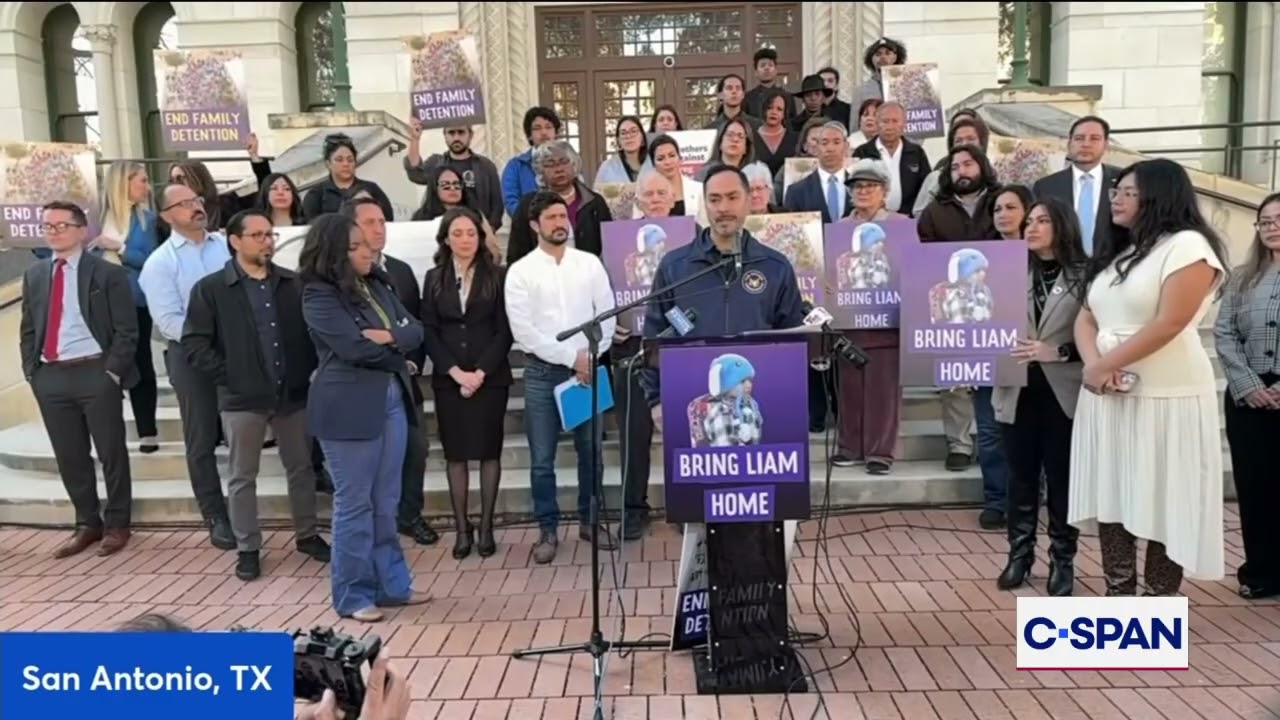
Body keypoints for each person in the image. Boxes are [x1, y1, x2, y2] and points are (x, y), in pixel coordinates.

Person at [1068, 158, 1230, 596]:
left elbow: (1170, 322)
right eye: (1115, 191)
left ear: (1158, 196)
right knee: (1113, 493)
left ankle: (1159, 601)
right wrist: (1094, 366)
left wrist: (1105, 363)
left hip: (1166, 396)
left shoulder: (1188, 246)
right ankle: (1120, 596)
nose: (1115, 198)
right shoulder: (1118, 250)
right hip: (1108, 393)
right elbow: (1086, 317)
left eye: (1127, 191)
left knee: (1163, 496)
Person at [181, 209, 332, 581]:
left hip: (292, 394)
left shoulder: (292, 284)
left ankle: (307, 535)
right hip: (241, 399)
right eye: (258, 235)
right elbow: (194, 344)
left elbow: (312, 334)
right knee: (242, 475)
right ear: (235, 241)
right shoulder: (212, 289)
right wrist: (231, 376)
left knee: (300, 467)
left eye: (269, 235)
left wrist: (305, 370)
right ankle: (248, 547)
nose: (267, 242)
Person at [299, 213, 430, 621]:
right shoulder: (318, 295)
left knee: (385, 501)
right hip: (348, 407)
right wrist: (395, 344)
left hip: (391, 396)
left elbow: (416, 331)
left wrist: (390, 336)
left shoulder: (376, 283)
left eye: (366, 243)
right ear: (334, 252)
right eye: (354, 246)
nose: (367, 250)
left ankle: (393, 586)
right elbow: (355, 349)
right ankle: (354, 595)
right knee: (354, 504)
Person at [19, 201, 139, 558]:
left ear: (81, 229)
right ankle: (87, 522)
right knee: (70, 456)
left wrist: (112, 372)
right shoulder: (35, 275)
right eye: (47, 226)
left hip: (95, 371)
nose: (53, 231)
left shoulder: (106, 273)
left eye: (61, 225)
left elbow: (126, 330)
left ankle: (117, 523)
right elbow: (29, 328)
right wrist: (32, 371)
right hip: (51, 376)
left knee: (111, 452)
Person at [505, 191, 618, 563]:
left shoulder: (589, 264)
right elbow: (525, 333)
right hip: (542, 374)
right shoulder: (520, 272)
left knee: (592, 452)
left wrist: (589, 357)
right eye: (550, 218)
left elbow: (607, 315)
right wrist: (572, 357)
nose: (559, 223)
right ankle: (548, 530)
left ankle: (590, 521)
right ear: (534, 225)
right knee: (542, 459)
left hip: (589, 368)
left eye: (561, 216)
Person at [992, 198, 1089, 596]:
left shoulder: (1087, 275)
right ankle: (1019, 555)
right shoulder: (1006, 271)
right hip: (1016, 389)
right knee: (1020, 478)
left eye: (1042, 220)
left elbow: (1103, 336)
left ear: (1062, 225)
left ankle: (1062, 560)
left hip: (1064, 390)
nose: (1031, 227)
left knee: (1063, 480)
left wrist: (1059, 352)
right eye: (1028, 221)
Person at [139, 183, 234, 550]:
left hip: (237, 350)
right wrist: (211, 340)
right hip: (190, 356)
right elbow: (168, 322)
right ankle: (215, 514)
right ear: (166, 216)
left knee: (247, 428)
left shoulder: (228, 246)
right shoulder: (160, 263)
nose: (195, 208)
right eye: (184, 203)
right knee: (201, 438)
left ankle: (242, 505)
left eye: (196, 200)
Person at [344, 197, 440, 547]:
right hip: (363, 382)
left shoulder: (398, 270)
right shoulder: (337, 279)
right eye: (369, 222)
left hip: (403, 376)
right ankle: (373, 522)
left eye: (382, 221)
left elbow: (415, 323)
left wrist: (410, 358)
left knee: (416, 449)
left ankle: (409, 515)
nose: (379, 228)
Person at [421, 207, 513, 559]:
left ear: (480, 236)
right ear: (446, 238)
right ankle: (463, 528)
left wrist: (480, 372)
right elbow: (428, 328)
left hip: (489, 378)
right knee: (455, 455)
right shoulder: (433, 278)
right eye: (457, 233)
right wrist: (454, 372)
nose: (464, 239)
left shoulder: (497, 275)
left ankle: (487, 525)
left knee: (489, 452)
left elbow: (505, 329)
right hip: (449, 379)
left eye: (470, 233)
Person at [1212, 191, 1280, 599]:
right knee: (1256, 489)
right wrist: (1248, 385)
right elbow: (1224, 333)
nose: (1272, 227)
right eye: (1265, 221)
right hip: (1249, 396)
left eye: (1279, 219)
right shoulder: (1241, 276)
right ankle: (1261, 573)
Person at [830, 159, 907, 474]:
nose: (862, 191)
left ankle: (880, 452)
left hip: (889, 324)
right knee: (849, 390)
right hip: (849, 322)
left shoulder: (902, 226)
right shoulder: (838, 231)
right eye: (857, 186)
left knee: (884, 391)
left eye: (870, 186)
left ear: (884, 191)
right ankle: (849, 447)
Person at [95, 160, 160, 454]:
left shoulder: (146, 219)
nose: (147, 187)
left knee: (140, 362)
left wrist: (119, 248)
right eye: (141, 181)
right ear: (124, 183)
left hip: (134, 300)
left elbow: (150, 259)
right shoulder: (94, 217)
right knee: (104, 367)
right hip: (98, 302)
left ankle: (148, 430)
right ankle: (106, 433)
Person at [506, 140, 612, 265]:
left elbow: (610, 249)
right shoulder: (527, 205)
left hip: (586, 277)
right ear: (540, 171)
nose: (559, 169)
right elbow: (516, 255)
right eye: (550, 164)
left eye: (563, 162)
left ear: (574, 165)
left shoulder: (595, 202)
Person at [1032, 115, 1122, 257]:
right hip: (1062, 269)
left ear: (1106, 145)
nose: (1086, 144)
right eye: (1079, 138)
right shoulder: (1046, 187)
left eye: (1094, 138)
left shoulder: (1122, 182)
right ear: (1069, 144)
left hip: (1112, 268)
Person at [404, 119, 504, 231]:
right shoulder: (436, 163)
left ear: (470, 135)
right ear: (445, 135)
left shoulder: (485, 166)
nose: (456, 138)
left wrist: (487, 232)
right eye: (451, 133)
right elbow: (415, 174)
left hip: (479, 233)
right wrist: (415, 139)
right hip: (442, 234)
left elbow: (497, 206)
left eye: (461, 132)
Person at [303, 133, 395, 222]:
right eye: (339, 160)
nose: (346, 164)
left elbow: (388, 220)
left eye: (350, 160)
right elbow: (312, 229)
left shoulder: (371, 189)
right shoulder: (316, 194)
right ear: (328, 164)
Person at [502, 106, 563, 216]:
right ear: (529, 135)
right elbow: (511, 202)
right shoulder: (516, 166)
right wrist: (534, 220)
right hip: (527, 227)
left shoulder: (567, 163)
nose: (544, 132)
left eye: (548, 127)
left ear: (556, 133)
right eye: (537, 128)